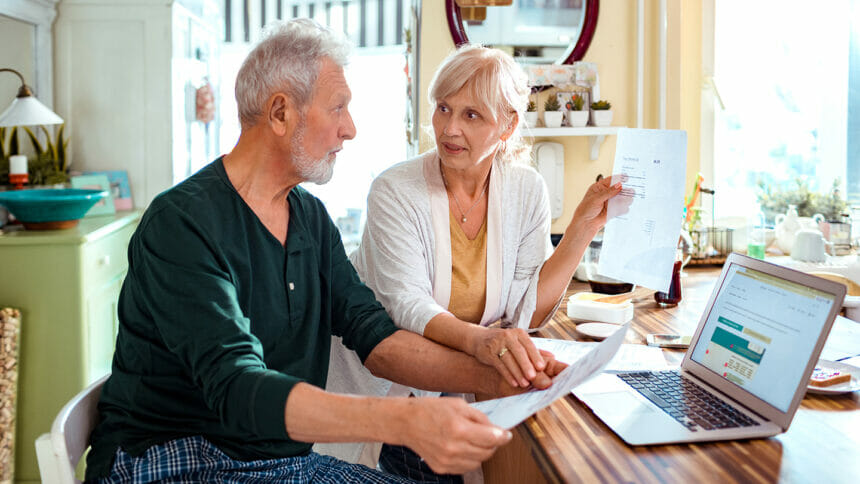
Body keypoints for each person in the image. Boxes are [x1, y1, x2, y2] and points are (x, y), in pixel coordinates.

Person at [84, 20, 566, 483]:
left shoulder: (310, 219)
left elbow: (374, 335)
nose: (350, 129)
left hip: (279, 464)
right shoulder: (183, 223)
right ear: (280, 113)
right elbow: (236, 387)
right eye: (338, 108)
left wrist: (501, 372)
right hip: (176, 461)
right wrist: (404, 419)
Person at [342, 44, 625, 482]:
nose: (449, 128)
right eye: (443, 108)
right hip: (394, 401)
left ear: (508, 124)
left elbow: (526, 309)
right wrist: (480, 342)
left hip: (465, 398)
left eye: (472, 115)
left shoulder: (525, 190)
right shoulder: (394, 191)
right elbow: (408, 307)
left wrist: (582, 229)